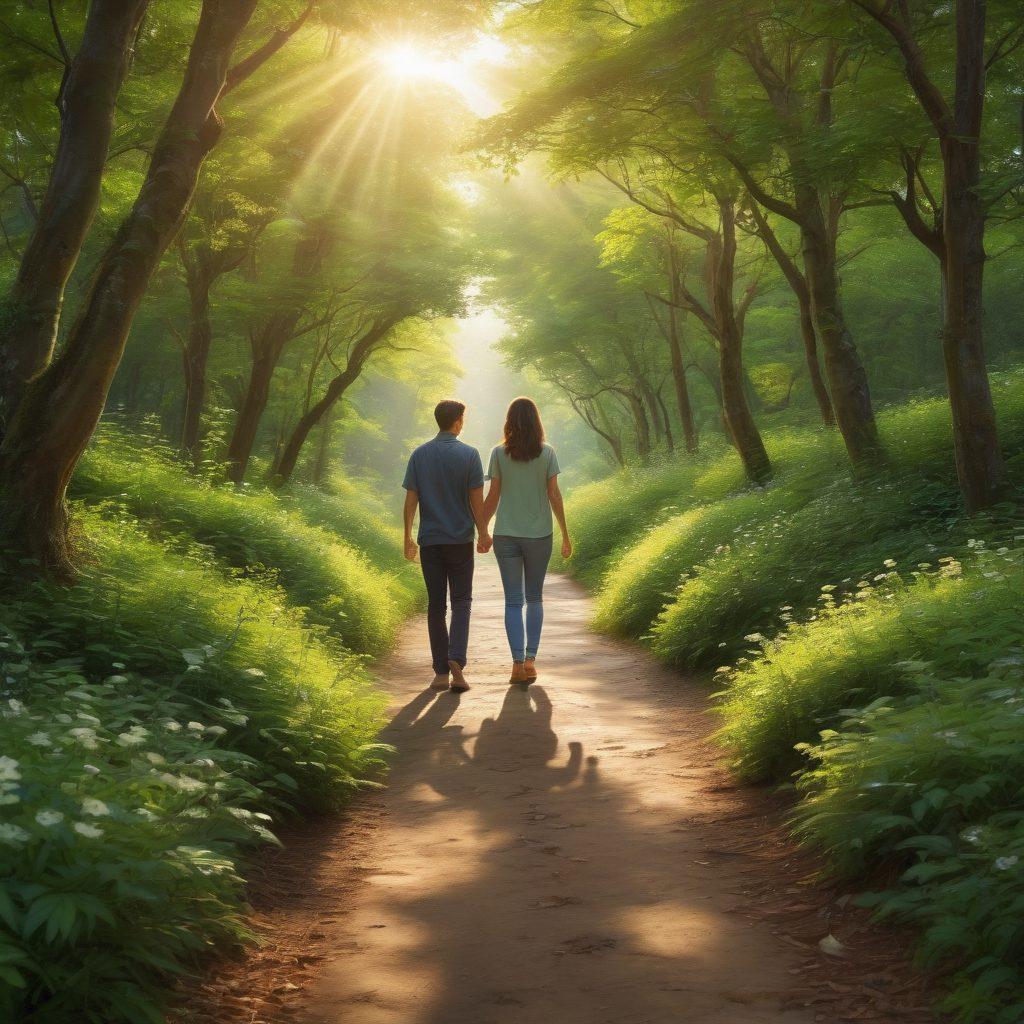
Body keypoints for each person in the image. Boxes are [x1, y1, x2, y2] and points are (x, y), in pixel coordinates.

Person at [403, 400, 491, 693]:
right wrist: (483, 532)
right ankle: (456, 660)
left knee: (436, 606)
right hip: (460, 541)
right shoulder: (469, 455)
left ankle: (441, 672)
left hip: (430, 541)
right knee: (462, 603)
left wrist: (407, 536)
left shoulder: (419, 454)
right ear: (457, 422)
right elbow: (476, 500)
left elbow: (411, 500)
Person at [481, 397, 571, 685]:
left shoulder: (497, 453)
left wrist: (482, 531)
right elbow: (554, 496)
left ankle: (516, 665)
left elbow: (492, 496)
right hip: (539, 535)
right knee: (534, 598)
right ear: (537, 421)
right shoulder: (547, 453)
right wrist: (566, 535)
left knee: (512, 601)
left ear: (509, 422)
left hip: (506, 534)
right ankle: (531, 661)